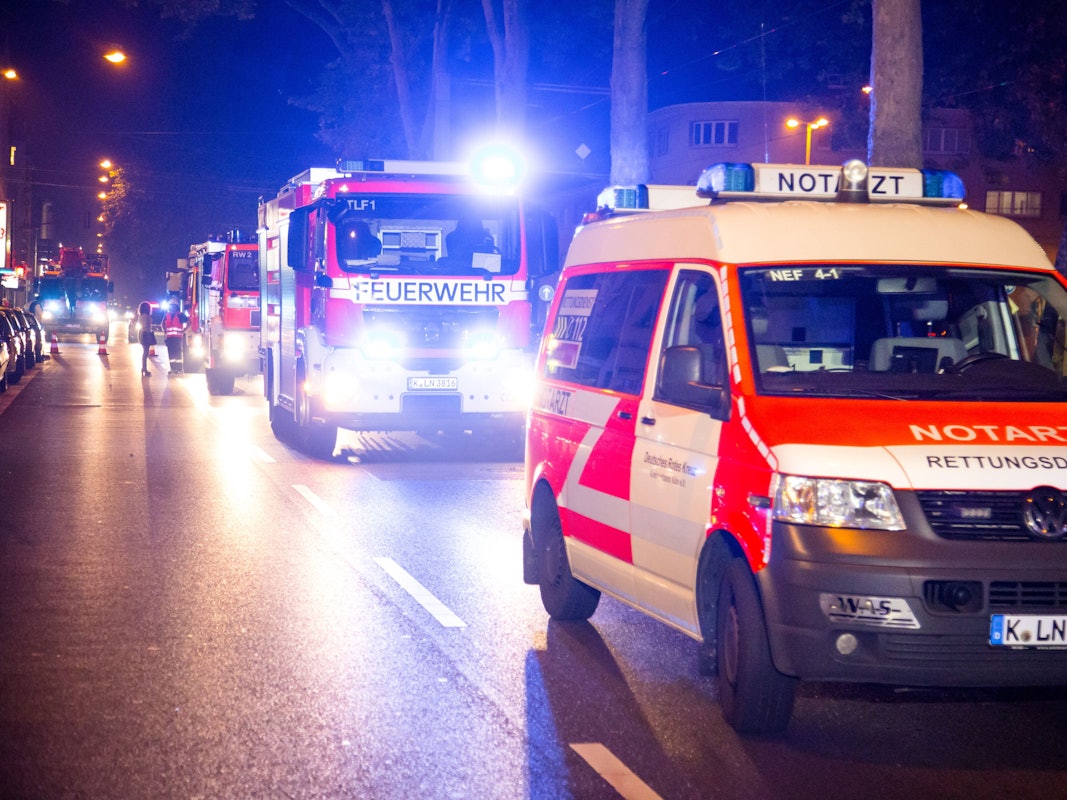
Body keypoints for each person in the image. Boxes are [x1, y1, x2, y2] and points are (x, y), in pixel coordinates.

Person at [162, 302, 188, 374]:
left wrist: (185, 330)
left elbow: (189, 322)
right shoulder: (167, 315)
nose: (172, 308)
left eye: (173, 306)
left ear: (176, 307)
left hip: (177, 338)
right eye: (171, 306)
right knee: (171, 353)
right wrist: (165, 331)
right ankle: (173, 368)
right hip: (169, 337)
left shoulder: (180, 315)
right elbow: (162, 323)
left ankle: (179, 369)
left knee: (177, 353)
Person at [136, 301, 154, 376]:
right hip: (145, 334)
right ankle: (144, 368)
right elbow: (146, 326)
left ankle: (144, 368)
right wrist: (149, 333)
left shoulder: (140, 316)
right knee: (145, 352)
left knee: (145, 352)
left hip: (141, 333)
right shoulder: (146, 316)